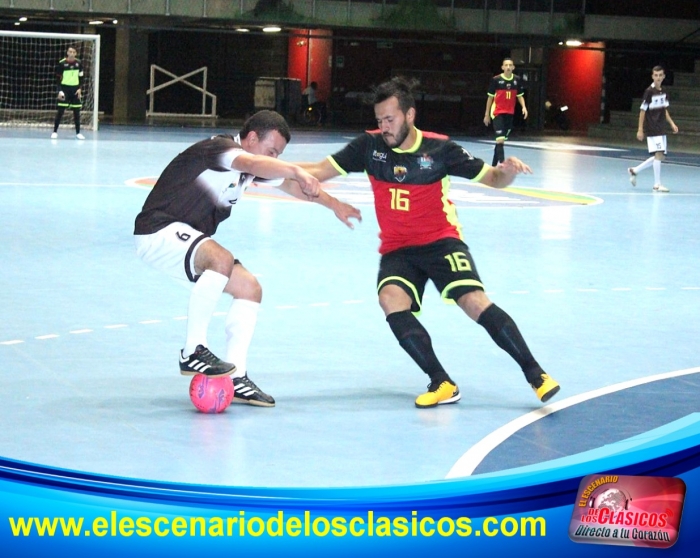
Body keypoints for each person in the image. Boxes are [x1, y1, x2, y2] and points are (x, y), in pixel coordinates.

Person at [298, 76, 560, 409]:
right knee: (391, 299)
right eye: (379, 121)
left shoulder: (441, 149)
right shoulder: (370, 146)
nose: (384, 127)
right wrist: (266, 169)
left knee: (474, 302)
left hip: (441, 242)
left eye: (390, 120)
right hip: (397, 248)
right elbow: (318, 171)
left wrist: (507, 170)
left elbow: (495, 178)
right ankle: (442, 382)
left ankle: (536, 374)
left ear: (409, 115)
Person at [134, 110, 361, 407]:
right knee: (221, 258)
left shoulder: (251, 168)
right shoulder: (220, 150)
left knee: (249, 288)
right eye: (272, 151)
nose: (275, 158)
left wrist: (334, 205)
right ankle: (193, 350)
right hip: (158, 230)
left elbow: (291, 186)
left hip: (184, 238)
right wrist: (293, 168)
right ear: (252, 138)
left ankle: (236, 376)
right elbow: (257, 163)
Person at [627, 66, 679, 193]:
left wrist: (672, 123)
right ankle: (657, 184)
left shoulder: (664, 92)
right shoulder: (649, 92)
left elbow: (664, 110)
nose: (658, 78)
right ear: (652, 76)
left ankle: (635, 170)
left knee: (660, 156)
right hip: (652, 128)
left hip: (661, 128)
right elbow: (642, 110)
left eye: (660, 75)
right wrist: (640, 129)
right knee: (659, 154)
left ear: (664, 76)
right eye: (656, 75)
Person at [483, 57, 528, 167]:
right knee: (500, 140)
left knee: (500, 141)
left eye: (510, 65)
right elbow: (490, 98)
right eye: (506, 65)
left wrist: (524, 107)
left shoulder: (516, 80)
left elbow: (520, 96)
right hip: (497, 112)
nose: (508, 67)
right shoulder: (496, 80)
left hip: (509, 113)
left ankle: (493, 167)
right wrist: (487, 114)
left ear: (513, 67)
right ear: (502, 67)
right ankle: (502, 165)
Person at [51, 46, 85, 140]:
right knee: (60, 111)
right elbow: (57, 79)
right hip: (65, 89)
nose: (72, 53)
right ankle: (55, 131)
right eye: (70, 52)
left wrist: (80, 89)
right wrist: (60, 90)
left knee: (76, 112)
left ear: (76, 53)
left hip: (75, 90)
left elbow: (81, 77)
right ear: (67, 53)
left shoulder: (79, 63)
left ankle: (78, 133)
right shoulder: (62, 63)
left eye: (74, 52)